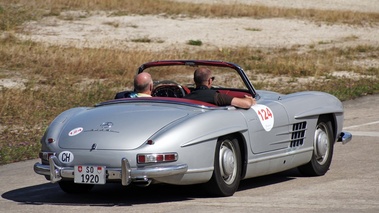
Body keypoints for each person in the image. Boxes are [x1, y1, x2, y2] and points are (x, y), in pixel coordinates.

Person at [185, 67, 256, 109]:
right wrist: (249, 99)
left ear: (194, 80)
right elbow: (246, 104)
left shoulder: (185, 98)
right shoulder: (216, 97)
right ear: (210, 81)